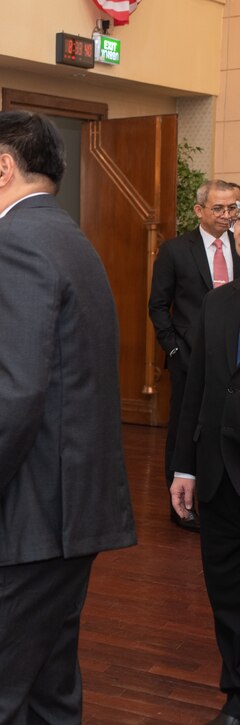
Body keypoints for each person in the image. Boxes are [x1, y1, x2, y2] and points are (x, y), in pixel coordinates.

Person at [0, 110, 136, 724]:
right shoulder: (69, 238)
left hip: (16, 529)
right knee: (47, 698)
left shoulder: (10, 244)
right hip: (62, 523)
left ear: (3, 169)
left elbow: (13, 397)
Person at [150, 179, 240, 532]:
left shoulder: (237, 246)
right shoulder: (175, 250)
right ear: (199, 210)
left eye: (232, 208)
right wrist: (174, 350)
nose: (226, 215)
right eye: (218, 208)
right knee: (184, 428)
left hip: (232, 362)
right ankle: (182, 505)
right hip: (189, 358)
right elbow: (158, 306)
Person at [171, 278, 240, 725]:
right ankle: (237, 692)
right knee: (228, 593)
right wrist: (185, 468)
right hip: (219, 475)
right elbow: (195, 387)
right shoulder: (218, 303)